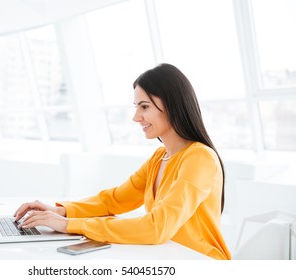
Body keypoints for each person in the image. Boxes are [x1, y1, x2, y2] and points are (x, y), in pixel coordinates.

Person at [13, 63, 231, 260]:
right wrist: (61, 211)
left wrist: (70, 225)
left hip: (201, 262)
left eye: (144, 107)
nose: (136, 117)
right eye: (136, 107)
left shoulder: (199, 158)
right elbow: (114, 201)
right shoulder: (160, 157)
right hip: (167, 258)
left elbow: (157, 227)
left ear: (173, 105)